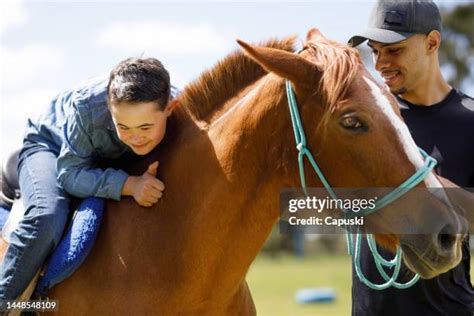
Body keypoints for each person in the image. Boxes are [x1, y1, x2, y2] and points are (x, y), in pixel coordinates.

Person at [0, 57, 177, 301]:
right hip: (52, 146)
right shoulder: (86, 106)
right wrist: (129, 185)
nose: (135, 138)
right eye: (123, 126)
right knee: (46, 216)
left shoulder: (182, 107)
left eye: (145, 128)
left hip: (102, 154)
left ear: (170, 108)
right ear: (109, 106)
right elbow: (70, 174)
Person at [348, 0, 474, 315]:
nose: (380, 64)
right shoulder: (368, 121)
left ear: (432, 43)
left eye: (394, 50)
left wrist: (416, 182)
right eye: (375, 51)